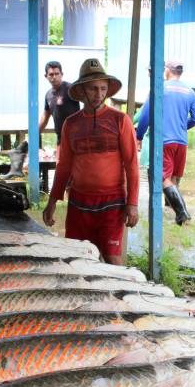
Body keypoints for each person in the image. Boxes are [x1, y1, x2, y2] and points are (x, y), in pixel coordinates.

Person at [42, 58, 139, 265]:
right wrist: (52, 201)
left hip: (112, 202)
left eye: (103, 89)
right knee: (78, 260)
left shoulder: (120, 120)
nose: (99, 94)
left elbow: (132, 164)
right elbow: (64, 166)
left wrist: (132, 204)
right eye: (93, 89)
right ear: (82, 91)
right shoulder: (71, 124)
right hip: (79, 202)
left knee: (114, 261)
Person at [135, 60, 195, 225]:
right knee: (172, 178)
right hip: (181, 141)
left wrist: (139, 136)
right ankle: (177, 218)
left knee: (161, 177)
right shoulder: (190, 92)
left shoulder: (159, 88)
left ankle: (182, 213)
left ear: (167, 71)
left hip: (164, 141)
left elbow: (145, 116)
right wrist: (182, 126)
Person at [39, 61, 80, 147]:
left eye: (57, 74)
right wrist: (33, 135)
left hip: (76, 138)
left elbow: (87, 104)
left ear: (62, 74)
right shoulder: (48, 95)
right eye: (51, 74)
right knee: (60, 161)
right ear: (46, 76)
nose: (54, 77)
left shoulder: (71, 89)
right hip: (61, 139)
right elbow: (45, 117)